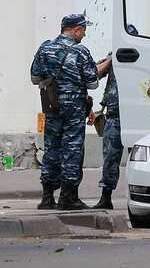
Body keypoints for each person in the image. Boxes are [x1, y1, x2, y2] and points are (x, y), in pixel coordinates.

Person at [30, 14, 107, 210]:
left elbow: (35, 77)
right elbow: (92, 82)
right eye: (83, 31)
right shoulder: (80, 51)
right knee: (72, 149)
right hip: (73, 107)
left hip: (52, 105)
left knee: (52, 147)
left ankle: (47, 197)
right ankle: (68, 197)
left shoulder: (45, 48)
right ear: (75, 30)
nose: (84, 35)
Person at [88, 53, 121, 209]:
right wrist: (109, 61)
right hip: (114, 113)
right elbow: (95, 73)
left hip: (136, 112)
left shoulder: (144, 57)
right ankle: (105, 197)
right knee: (110, 156)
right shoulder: (113, 57)